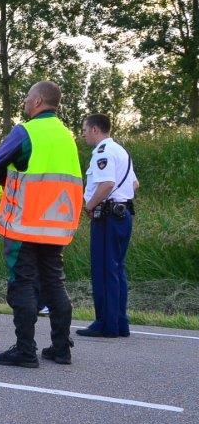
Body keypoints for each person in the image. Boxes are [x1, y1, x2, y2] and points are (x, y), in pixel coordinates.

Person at [0, 81, 82, 367]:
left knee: (23, 283)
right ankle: (60, 348)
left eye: (28, 98)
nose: (25, 102)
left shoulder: (26, 131)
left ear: (39, 100)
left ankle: (25, 350)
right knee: (55, 282)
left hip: (24, 222)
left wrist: (13, 183)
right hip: (57, 224)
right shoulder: (68, 136)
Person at [78, 113, 139, 338]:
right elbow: (134, 183)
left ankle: (105, 323)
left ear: (95, 129)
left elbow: (107, 183)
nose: (83, 133)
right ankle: (120, 322)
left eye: (84, 129)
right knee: (116, 269)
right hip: (122, 215)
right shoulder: (122, 151)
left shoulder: (102, 153)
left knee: (103, 270)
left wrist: (90, 206)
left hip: (108, 217)